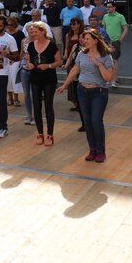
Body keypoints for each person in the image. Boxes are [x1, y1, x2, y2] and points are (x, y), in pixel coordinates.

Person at [59, 28, 116, 162]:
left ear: (95, 40)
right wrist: (65, 85)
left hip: (99, 92)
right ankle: (92, 150)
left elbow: (109, 78)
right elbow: (75, 69)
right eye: (84, 38)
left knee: (96, 121)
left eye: (87, 39)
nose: (84, 41)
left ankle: (101, 152)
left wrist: (99, 64)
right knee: (87, 122)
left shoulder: (106, 56)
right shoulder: (81, 54)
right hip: (82, 90)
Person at [25, 20, 60, 146]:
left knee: (48, 106)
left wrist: (48, 65)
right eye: (32, 32)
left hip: (49, 79)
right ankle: (40, 133)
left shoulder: (52, 45)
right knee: (36, 105)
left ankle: (50, 134)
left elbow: (59, 62)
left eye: (35, 31)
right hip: (35, 78)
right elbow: (28, 60)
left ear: (42, 31)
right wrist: (29, 64)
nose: (33, 33)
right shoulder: (30, 45)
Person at [100, 1, 128, 86]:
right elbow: (103, 28)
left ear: (114, 7)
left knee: (114, 61)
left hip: (115, 41)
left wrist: (120, 39)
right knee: (105, 60)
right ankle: (108, 79)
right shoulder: (105, 16)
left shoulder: (120, 16)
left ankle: (114, 80)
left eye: (109, 7)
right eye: (107, 7)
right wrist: (102, 39)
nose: (107, 8)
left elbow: (126, 28)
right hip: (106, 42)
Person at [64, 17, 85, 120]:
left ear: (79, 24)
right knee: (71, 83)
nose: (72, 26)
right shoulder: (68, 35)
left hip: (81, 62)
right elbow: (66, 47)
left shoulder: (82, 35)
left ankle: (81, 102)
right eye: (71, 24)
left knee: (79, 82)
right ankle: (75, 102)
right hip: (71, 61)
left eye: (74, 24)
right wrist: (65, 55)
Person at [5, 17, 25, 108]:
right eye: (7, 24)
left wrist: (21, 58)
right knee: (7, 79)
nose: (9, 26)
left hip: (16, 59)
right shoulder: (5, 34)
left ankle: (16, 99)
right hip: (6, 59)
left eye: (11, 24)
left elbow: (23, 46)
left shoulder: (20, 33)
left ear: (15, 25)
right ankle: (10, 98)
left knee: (14, 79)